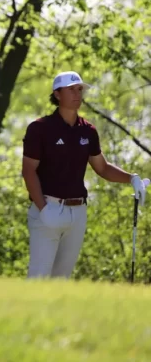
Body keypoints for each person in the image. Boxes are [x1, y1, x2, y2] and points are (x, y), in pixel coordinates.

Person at [21, 71, 148, 279]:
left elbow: (103, 168)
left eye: (80, 89)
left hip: (78, 212)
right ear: (57, 94)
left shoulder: (88, 131)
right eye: (71, 89)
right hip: (47, 207)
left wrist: (131, 178)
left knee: (61, 279)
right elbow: (28, 171)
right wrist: (43, 209)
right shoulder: (40, 128)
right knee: (38, 277)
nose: (77, 94)